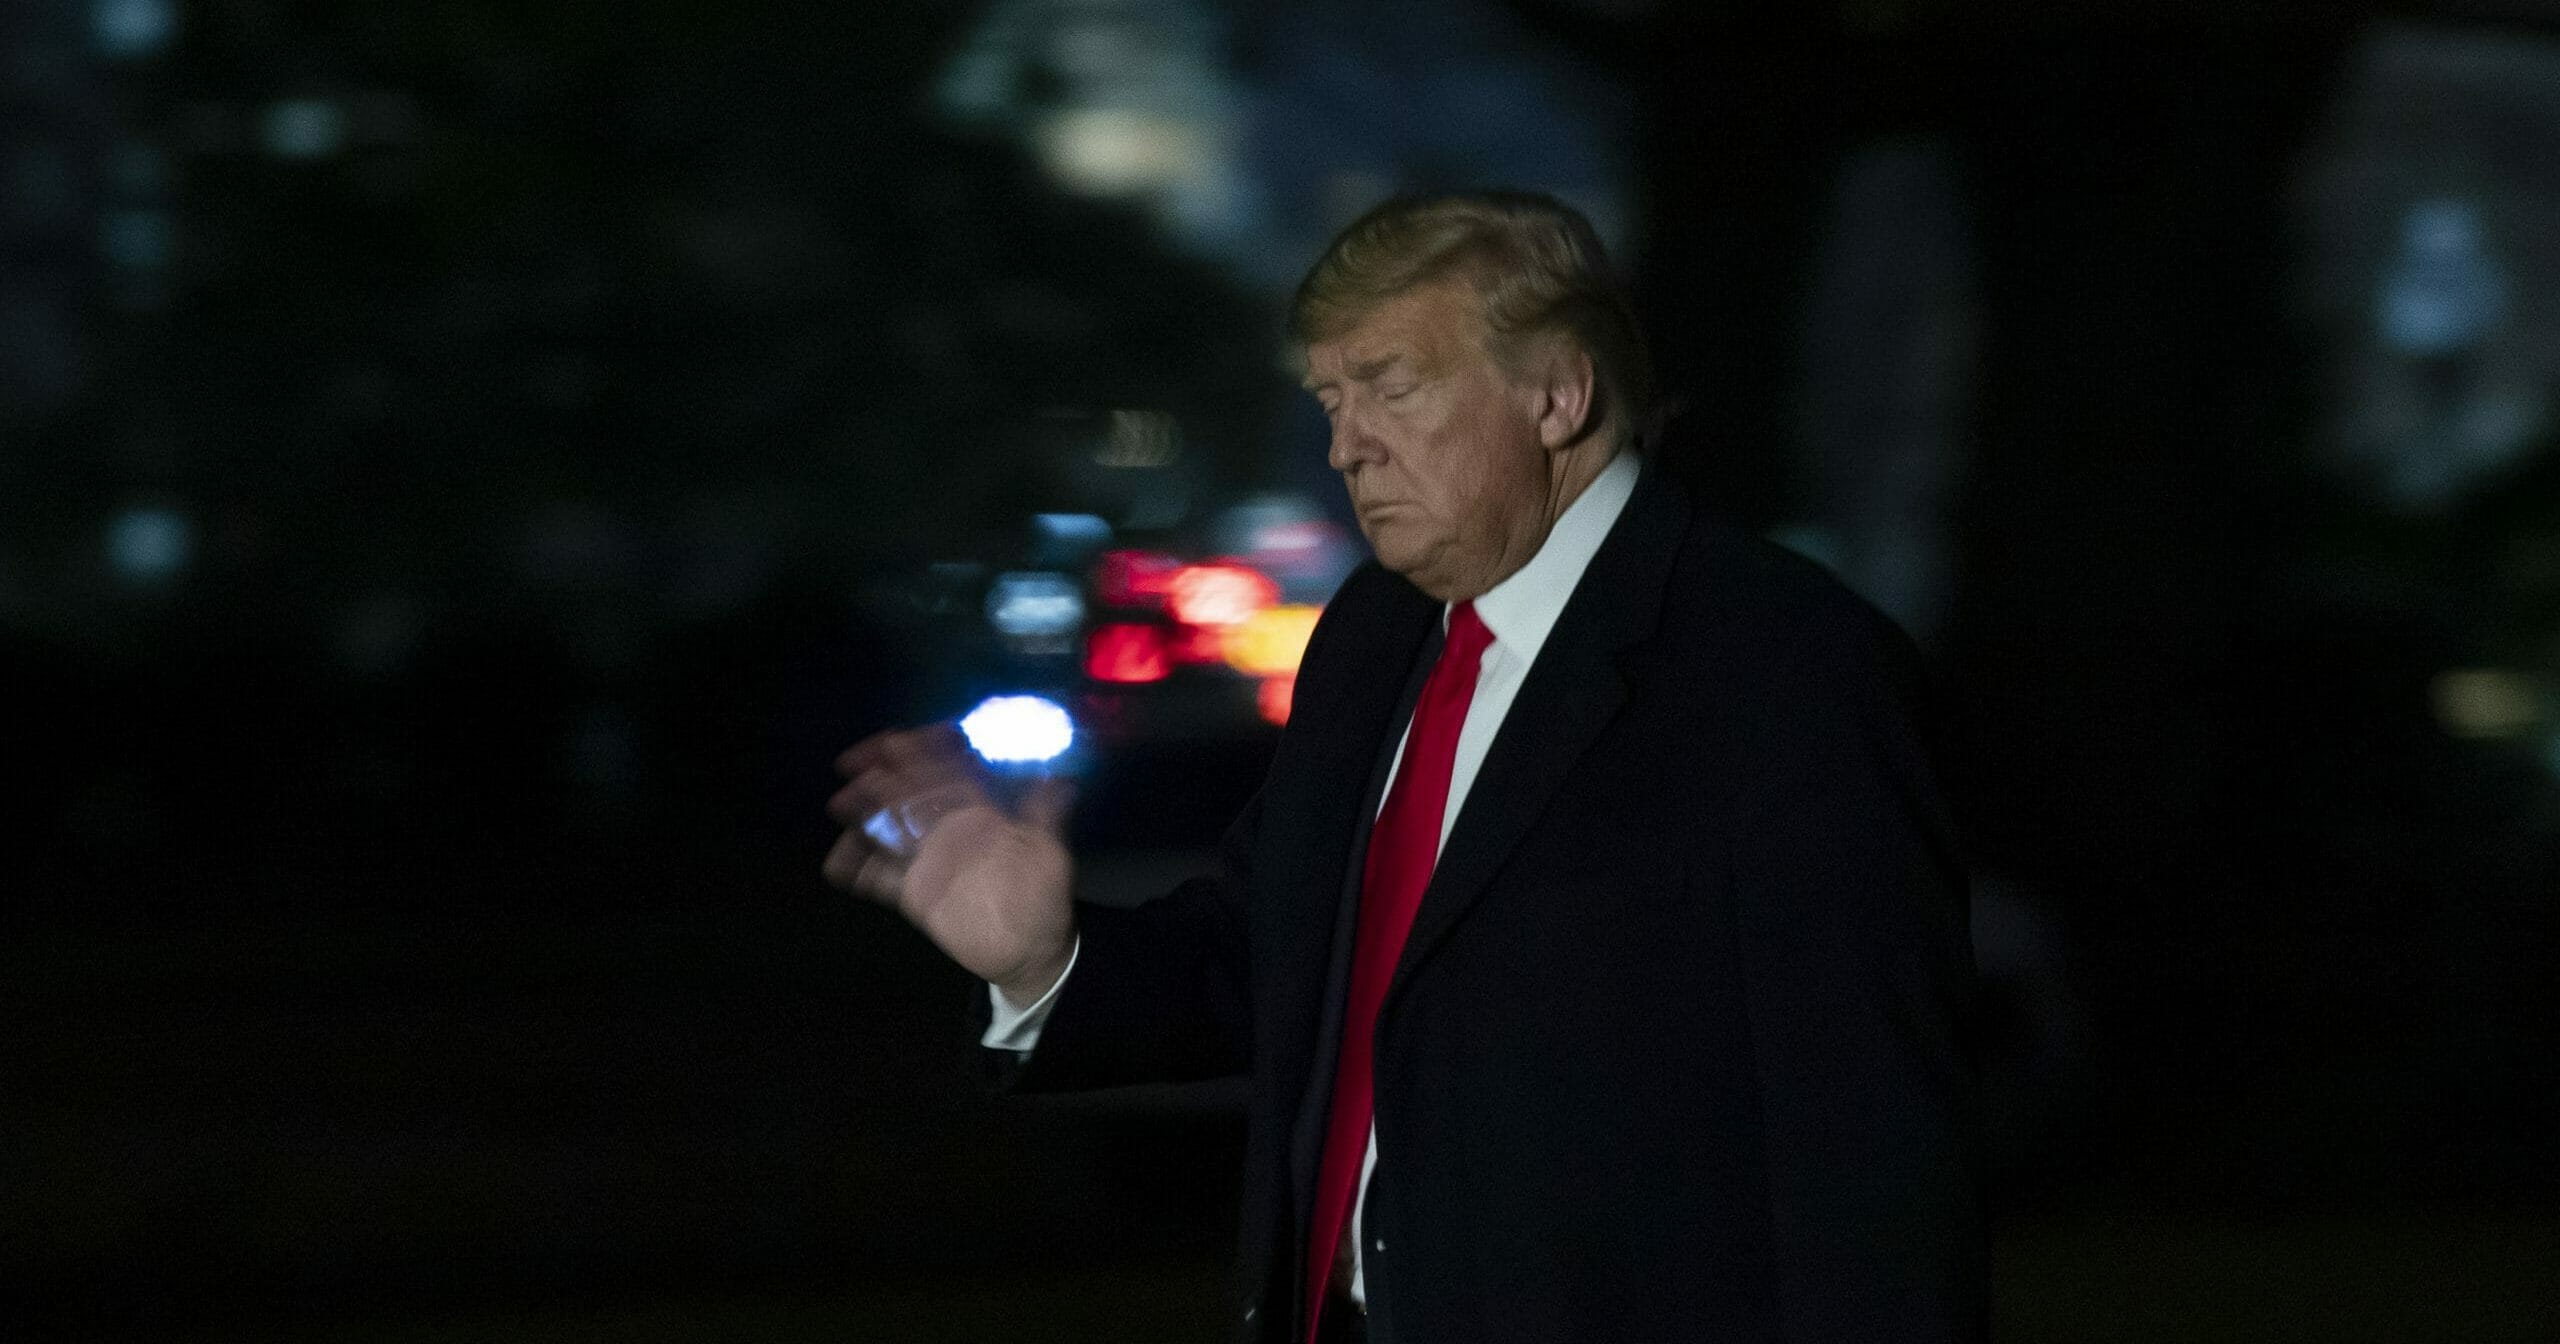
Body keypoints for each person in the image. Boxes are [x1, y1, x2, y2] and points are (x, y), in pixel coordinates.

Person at [825, 192, 1985, 1344]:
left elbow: (1869, 1156)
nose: (1344, 445)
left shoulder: (1784, 668)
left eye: (1390, 386)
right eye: (1330, 398)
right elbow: (1270, 957)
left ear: (1557, 394)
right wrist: (1048, 960)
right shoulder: (1374, 639)